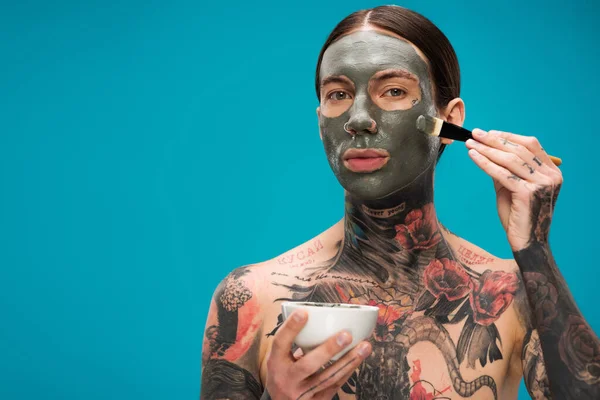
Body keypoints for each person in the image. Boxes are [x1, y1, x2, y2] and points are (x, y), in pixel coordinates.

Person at [200, 5, 599, 399]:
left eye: (393, 90)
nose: (358, 119)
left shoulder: (511, 293)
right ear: (322, 123)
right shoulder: (252, 297)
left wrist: (535, 251)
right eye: (338, 94)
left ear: (448, 120)